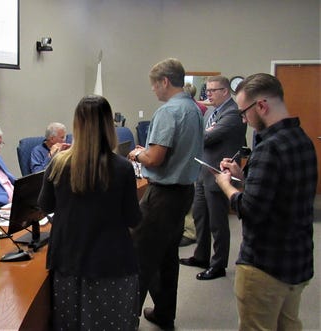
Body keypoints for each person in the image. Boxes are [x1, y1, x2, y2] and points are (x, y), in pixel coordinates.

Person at [214, 73, 317, 330]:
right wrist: (244, 177)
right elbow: (282, 193)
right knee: (288, 325)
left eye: (244, 112)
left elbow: (250, 210)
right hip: (298, 260)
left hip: (265, 266)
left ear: (261, 106)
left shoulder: (268, 148)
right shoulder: (302, 140)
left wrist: (227, 186)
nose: (244, 119)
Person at [38, 95, 142, 330]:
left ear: (77, 125)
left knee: (70, 323)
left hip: (68, 260)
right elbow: (133, 218)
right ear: (109, 126)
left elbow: (46, 206)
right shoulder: (123, 168)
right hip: (111, 262)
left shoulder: (58, 163)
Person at [127, 58, 203, 330]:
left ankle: (125, 320)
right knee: (167, 258)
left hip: (163, 196)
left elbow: (156, 157)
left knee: (140, 257)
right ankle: (164, 314)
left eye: (154, 85)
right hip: (183, 193)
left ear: (164, 82)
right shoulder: (194, 109)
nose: (153, 90)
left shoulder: (169, 111)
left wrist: (137, 153)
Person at [180, 75, 247, 281]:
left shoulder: (233, 113)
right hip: (203, 171)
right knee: (200, 215)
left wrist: (202, 133)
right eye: (206, 90)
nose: (207, 94)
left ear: (225, 91)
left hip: (219, 175)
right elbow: (203, 133)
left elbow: (207, 137)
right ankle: (201, 256)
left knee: (218, 222)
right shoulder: (212, 111)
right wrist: (203, 131)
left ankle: (218, 265)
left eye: (212, 91)